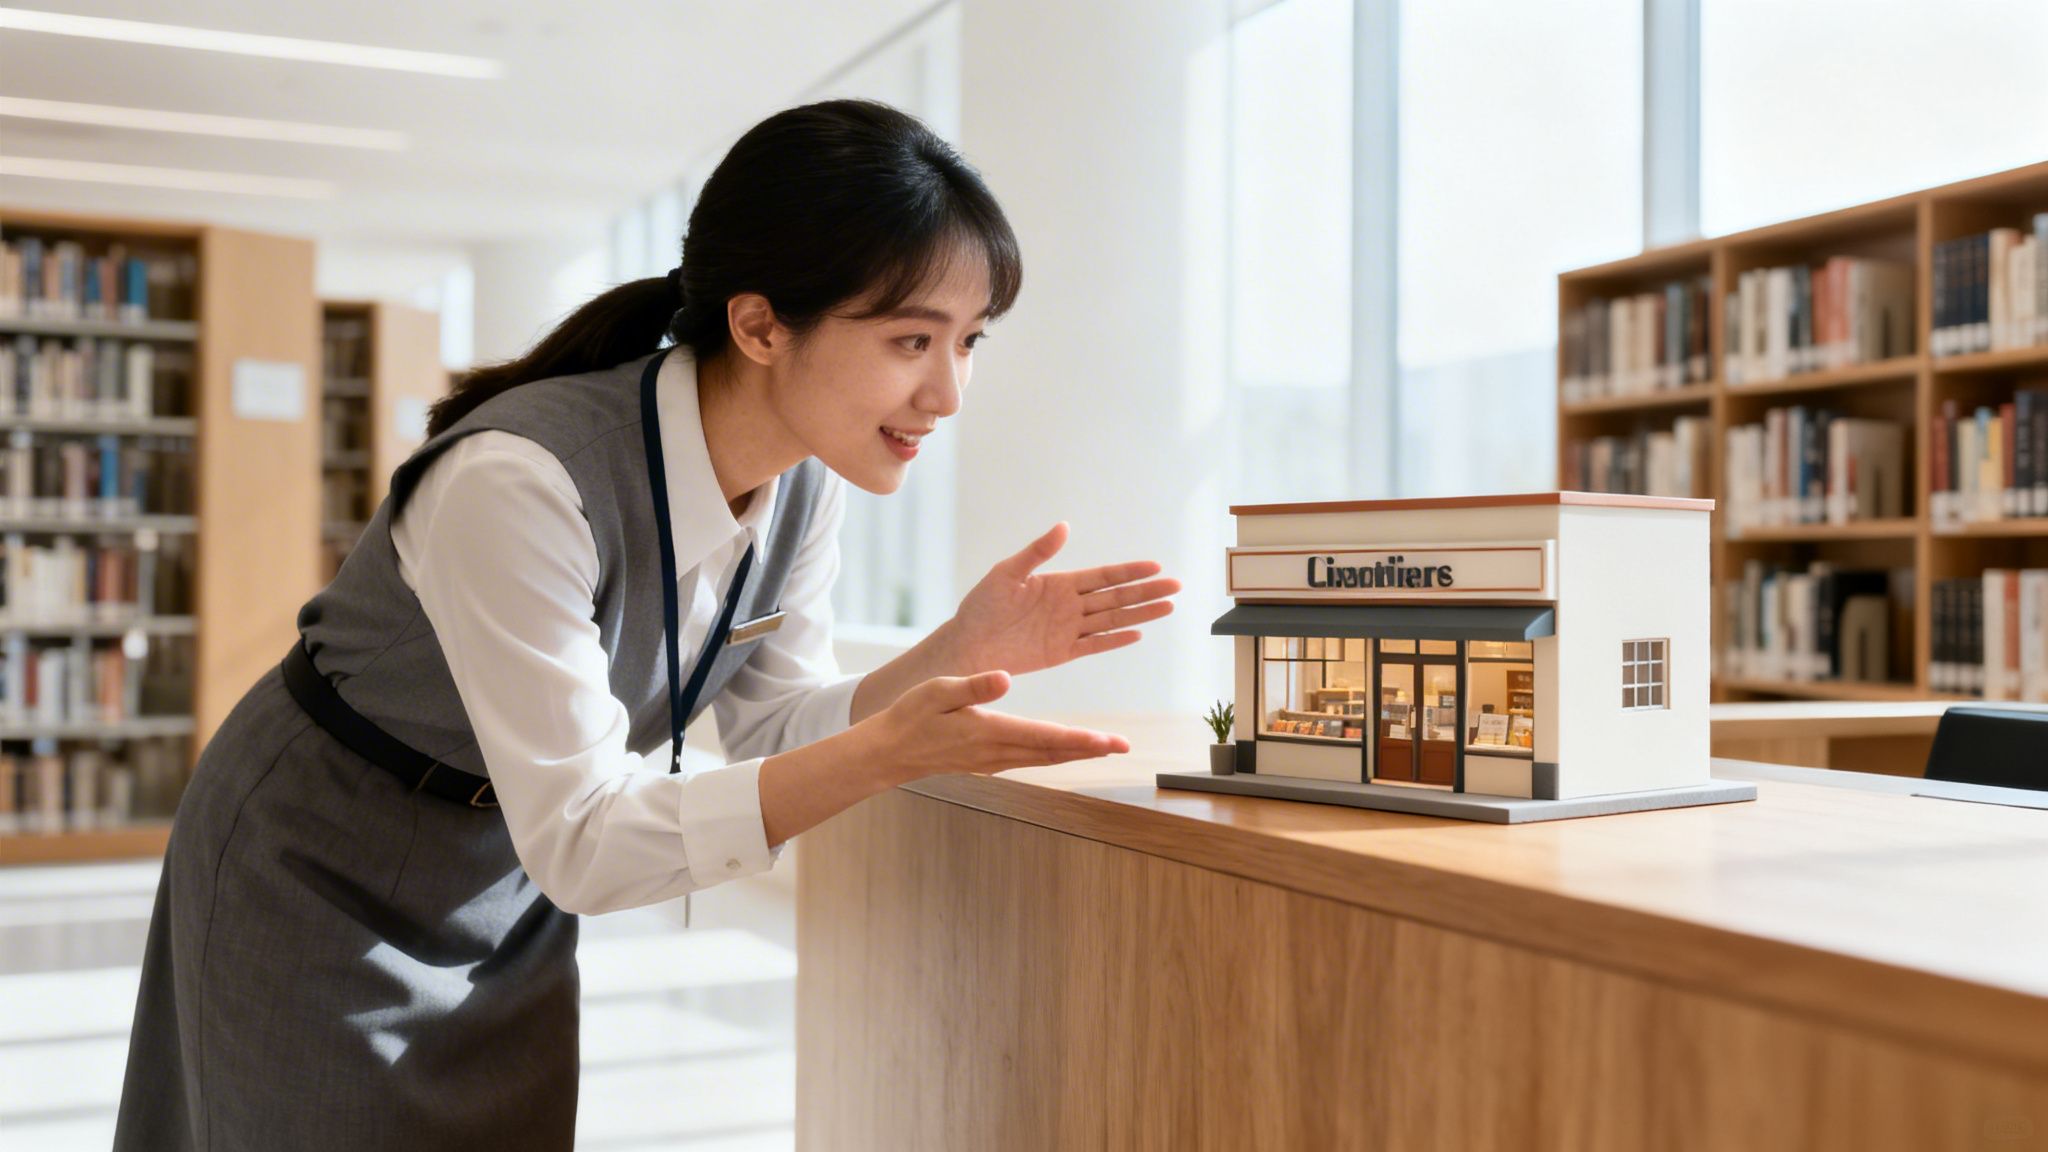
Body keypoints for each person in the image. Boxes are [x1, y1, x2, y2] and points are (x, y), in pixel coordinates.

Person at [113, 99, 1178, 1150]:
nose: (946, 393)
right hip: (320, 855)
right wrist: (876, 760)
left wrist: (955, 653)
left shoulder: (807, 488)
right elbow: (584, 839)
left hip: (505, 868)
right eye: (911, 339)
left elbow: (770, 728)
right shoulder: (516, 481)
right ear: (759, 325)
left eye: (969, 342)